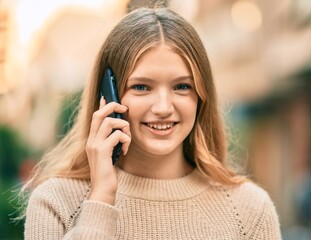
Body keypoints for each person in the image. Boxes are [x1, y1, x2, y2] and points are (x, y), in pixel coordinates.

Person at [23, 7, 282, 239]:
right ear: (108, 96)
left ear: (201, 97)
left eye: (181, 86)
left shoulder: (249, 209)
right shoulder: (55, 203)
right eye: (142, 87)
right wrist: (100, 199)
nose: (162, 108)